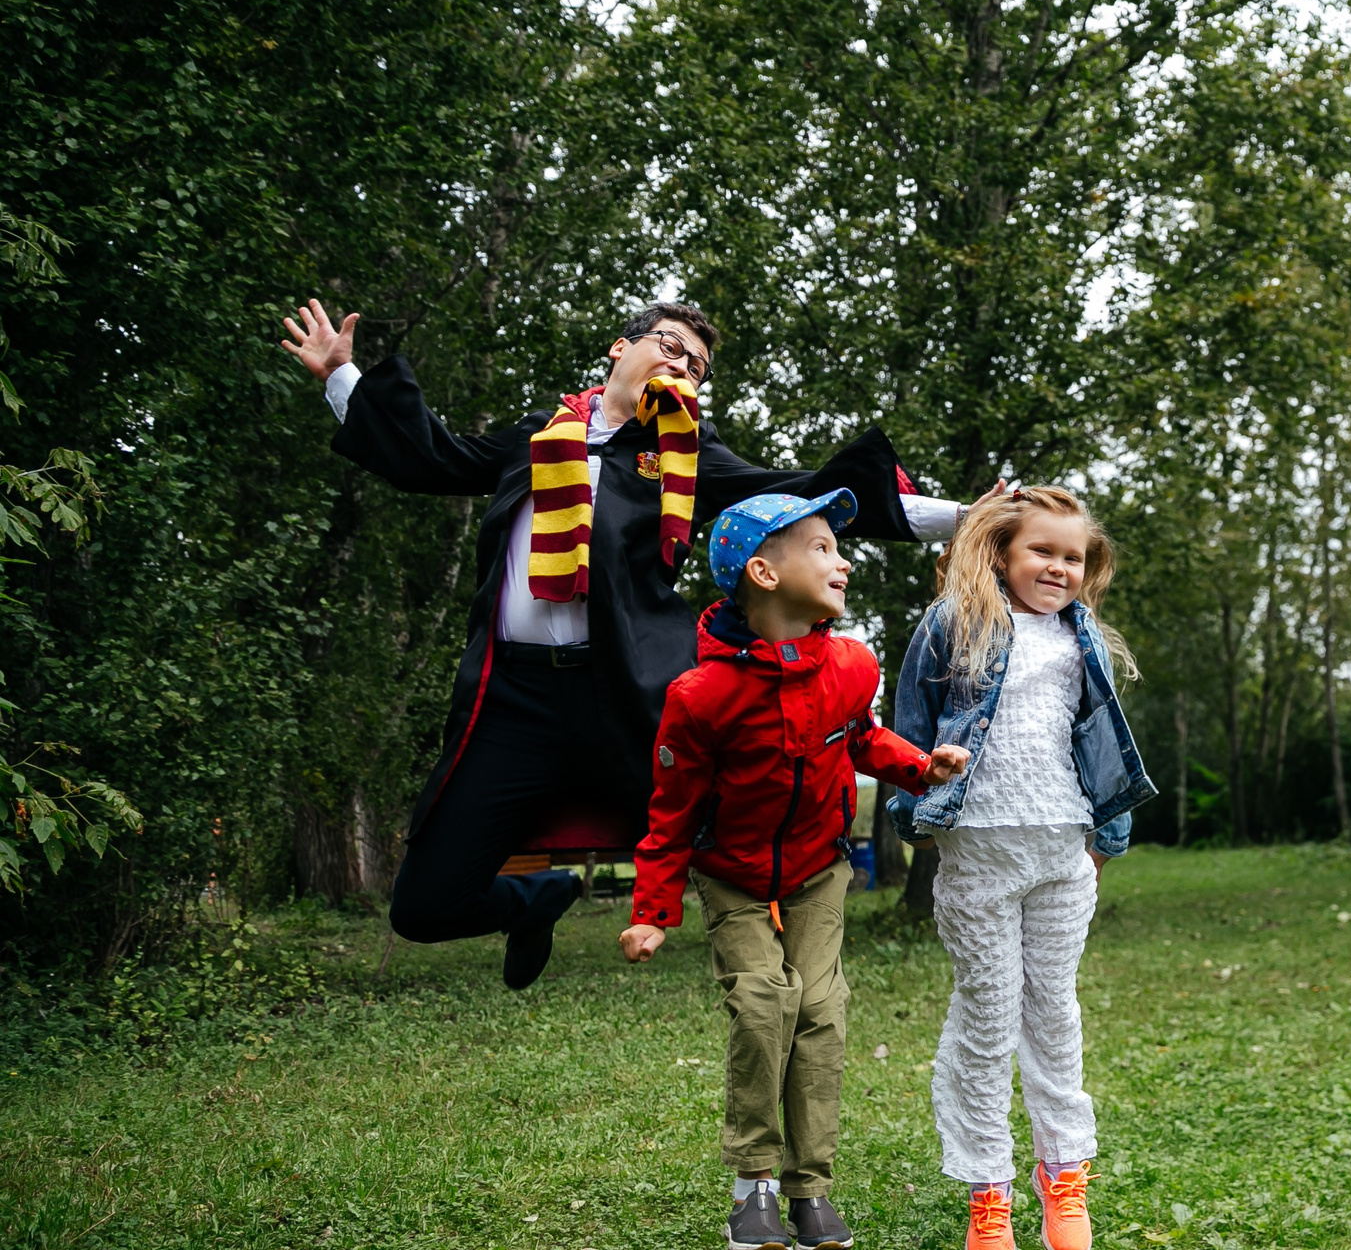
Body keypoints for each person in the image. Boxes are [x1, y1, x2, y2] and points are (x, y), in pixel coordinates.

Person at [278, 298, 964, 988]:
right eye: (669, 347)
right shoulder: (540, 436)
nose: (682, 367)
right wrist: (343, 374)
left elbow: (800, 491)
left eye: (696, 366)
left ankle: (782, 969)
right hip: (513, 697)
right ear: (619, 349)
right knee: (423, 905)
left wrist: (965, 518)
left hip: (629, 692)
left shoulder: (686, 454)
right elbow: (434, 458)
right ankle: (535, 900)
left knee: (731, 823)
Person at [617, 493, 970, 1250]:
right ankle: (754, 1186)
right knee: (763, 1002)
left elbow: (864, 740)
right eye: (820, 546)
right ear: (763, 571)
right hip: (734, 874)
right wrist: (652, 911)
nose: (841, 559)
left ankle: (810, 1188)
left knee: (820, 1006)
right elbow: (671, 814)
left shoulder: (849, 666)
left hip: (816, 868)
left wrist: (919, 766)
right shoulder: (700, 697)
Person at [888, 486, 1154, 1250]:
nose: (1059, 567)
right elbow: (910, 719)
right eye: (1042, 550)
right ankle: (987, 1185)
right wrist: (916, 806)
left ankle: (1063, 1171)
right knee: (988, 1014)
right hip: (980, 852)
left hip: (1062, 852)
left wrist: (1103, 839)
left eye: (1073, 557)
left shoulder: (1085, 641)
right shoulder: (955, 623)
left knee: (1055, 1011)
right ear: (1002, 550)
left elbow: (1102, 741)